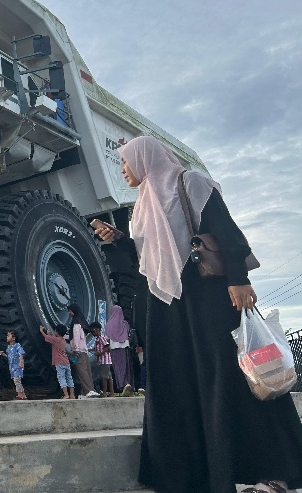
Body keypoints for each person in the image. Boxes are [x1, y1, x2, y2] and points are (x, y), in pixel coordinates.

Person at [95, 135, 302, 493]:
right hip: (166, 311)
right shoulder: (142, 206)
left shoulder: (189, 182)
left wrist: (238, 279)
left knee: (230, 378)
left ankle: (272, 471)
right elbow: (151, 259)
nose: (124, 169)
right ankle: (194, 477)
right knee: (178, 385)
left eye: (127, 162)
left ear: (146, 158)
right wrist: (119, 240)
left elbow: (225, 231)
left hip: (205, 299)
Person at [65, 304, 98, 398]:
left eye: (70, 311)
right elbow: (74, 336)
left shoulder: (75, 323)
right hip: (84, 350)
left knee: (81, 371)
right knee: (87, 371)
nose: (69, 312)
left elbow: (75, 336)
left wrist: (75, 349)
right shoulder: (81, 322)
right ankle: (88, 391)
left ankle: (89, 390)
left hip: (78, 350)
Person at [39, 324, 74, 399]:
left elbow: (46, 338)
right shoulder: (63, 340)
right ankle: (72, 395)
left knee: (62, 378)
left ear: (57, 332)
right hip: (66, 362)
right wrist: (49, 334)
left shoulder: (55, 340)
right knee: (69, 378)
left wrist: (42, 331)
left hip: (59, 362)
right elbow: (51, 339)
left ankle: (66, 395)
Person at [106, 305, 134, 396]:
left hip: (115, 348)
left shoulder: (109, 324)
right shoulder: (125, 323)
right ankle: (129, 384)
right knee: (127, 367)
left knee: (118, 367)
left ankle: (123, 384)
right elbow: (129, 334)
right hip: (125, 348)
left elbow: (107, 337)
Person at [0, 330, 26, 400]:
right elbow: (9, 356)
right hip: (12, 368)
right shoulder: (8, 348)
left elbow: (21, 353)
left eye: (8, 336)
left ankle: (21, 394)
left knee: (17, 380)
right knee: (15, 381)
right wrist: (4, 354)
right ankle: (22, 394)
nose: (7, 337)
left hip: (17, 366)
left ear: (13, 338)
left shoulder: (17, 345)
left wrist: (21, 361)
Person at [89, 322, 113, 397]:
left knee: (104, 377)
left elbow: (108, 347)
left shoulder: (102, 338)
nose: (93, 333)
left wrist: (101, 353)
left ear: (97, 330)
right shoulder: (97, 339)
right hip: (101, 360)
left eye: (93, 331)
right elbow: (97, 348)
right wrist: (91, 349)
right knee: (108, 376)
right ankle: (111, 392)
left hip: (104, 360)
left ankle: (105, 392)